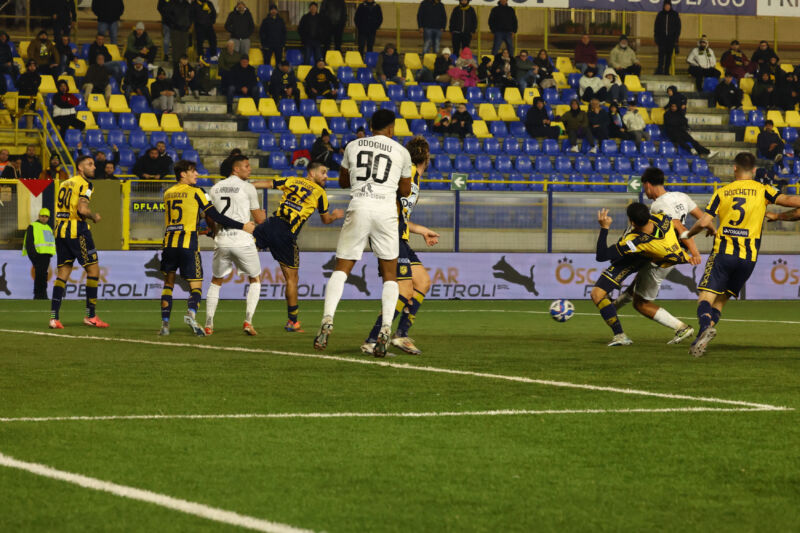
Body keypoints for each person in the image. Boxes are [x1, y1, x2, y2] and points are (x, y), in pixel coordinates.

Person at [314, 109, 413, 357]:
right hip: (385, 211)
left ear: (370, 127)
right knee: (390, 275)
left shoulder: (353, 146)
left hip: (359, 205)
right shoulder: (401, 151)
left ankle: (327, 318)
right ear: (391, 128)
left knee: (341, 268)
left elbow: (343, 181)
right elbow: (405, 191)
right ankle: (386, 328)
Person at [684, 152, 800, 356]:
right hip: (749, 258)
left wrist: (688, 234)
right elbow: (790, 200)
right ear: (754, 170)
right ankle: (701, 340)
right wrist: (779, 215)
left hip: (724, 253)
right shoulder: (763, 190)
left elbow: (704, 222)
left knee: (706, 297)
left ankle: (704, 328)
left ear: (734, 168)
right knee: (721, 301)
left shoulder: (722, 192)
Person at [159, 160, 256, 336]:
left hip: (168, 244)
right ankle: (191, 315)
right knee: (196, 286)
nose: (197, 174)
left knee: (168, 284)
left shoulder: (167, 193)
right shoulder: (197, 192)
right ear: (183, 174)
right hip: (188, 244)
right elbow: (216, 216)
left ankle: (165, 325)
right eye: (193, 171)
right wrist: (242, 226)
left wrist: (206, 230)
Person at [361, 136, 439, 355]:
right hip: (389, 234)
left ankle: (401, 334)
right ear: (426, 156)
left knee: (422, 282)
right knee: (404, 290)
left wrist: (422, 230)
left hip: (399, 235)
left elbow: (401, 215)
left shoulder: (415, 178)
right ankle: (373, 339)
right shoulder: (407, 173)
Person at [613, 167, 706, 343]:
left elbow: (679, 227)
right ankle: (613, 307)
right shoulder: (680, 196)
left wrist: (694, 251)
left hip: (662, 256)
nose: (644, 191)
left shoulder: (658, 205)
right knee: (637, 284)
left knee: (640, 303)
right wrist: (711, 230)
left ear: (648, 184)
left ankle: (681, 328)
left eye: (644, 187)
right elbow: (703, 219)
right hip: (675, 252)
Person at [251, 162, 344, 332]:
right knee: (292, 279)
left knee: (241, 249)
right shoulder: (320, 193)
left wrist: (246, 187)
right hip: (285, 233)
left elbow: (267, 183)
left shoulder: (292, 180)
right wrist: (335, 216)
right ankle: (292, 322)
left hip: (270, 225)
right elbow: (325, 220)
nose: (326, 176)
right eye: (323, 172)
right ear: (312, 173)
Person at [591, 202, 693, 346]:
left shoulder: (635, 241)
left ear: (632, 221)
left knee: (597, 294)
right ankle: (613, 307)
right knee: (633, 294)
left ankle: (620, 335)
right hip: (649, 260)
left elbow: (601, 255)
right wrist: (693, 252)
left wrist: (604, 227)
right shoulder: (662, 219)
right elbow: (678, 225)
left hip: (629, 261)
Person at [203, 155, 265, 336]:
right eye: (246, 166)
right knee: (255, 279)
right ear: (235, 169)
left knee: (216, 281)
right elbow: (259, 219)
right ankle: (248, 321)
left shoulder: (215, 188)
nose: (250, 169)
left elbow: (210, 215)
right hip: (243, 240)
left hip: (222, 239)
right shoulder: (248, 187)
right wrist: (262, 215)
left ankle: (208, 324)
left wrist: (213, 231)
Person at [49, 155, 108, 329]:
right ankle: (91, 315)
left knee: (63, 273)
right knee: (93, 270)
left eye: (94, 164)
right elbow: (82, 209)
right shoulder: (86, 184)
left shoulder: (65, 183)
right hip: (77, 230)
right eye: (90, 164)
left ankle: (54, 318)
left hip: (60, 230)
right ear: (80, 168)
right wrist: (94, 216)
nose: (94, 167)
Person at [24, 208, 56, 300]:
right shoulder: (33, 226)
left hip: (46, 256)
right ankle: (38, 295)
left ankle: (42, 294)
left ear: (48, 218)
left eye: (46, 216)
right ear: (39, 216)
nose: (44, 218)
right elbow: (29, 242)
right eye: (42, 216)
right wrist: (34, 255)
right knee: (39, 275)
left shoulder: (48, 228)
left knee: (43, 275)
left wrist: (50, 254)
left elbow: (50, 243)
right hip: (37, 255)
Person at [654, 0, 680, 75]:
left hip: (671, 40)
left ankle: (666, 71)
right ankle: (660, 70)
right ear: (664, 6)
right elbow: (656, 27)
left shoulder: (675, 15)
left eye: (668, 5)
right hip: (662, 39)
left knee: (669, 56)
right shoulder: (660, 15)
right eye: (666, 5)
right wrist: (656, 37)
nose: (667, 7)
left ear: (670, 6)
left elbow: (678, 27)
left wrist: (676, 38)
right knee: (661, 56)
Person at [168, 0, 193, 64]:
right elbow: (168, 15)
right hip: (175, 29)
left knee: (184, 47)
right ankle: (176, 64)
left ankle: (183, 63)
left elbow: (191, 16)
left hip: (185, 29)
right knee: (176, 47)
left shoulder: (187, 4)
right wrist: (173, 25)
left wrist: (188, 24)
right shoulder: (172, 3)